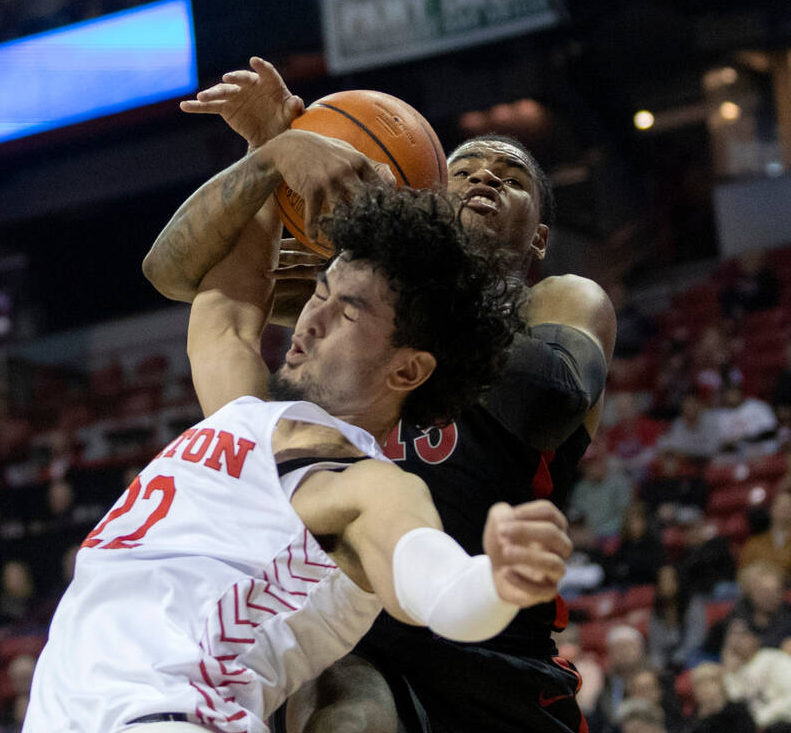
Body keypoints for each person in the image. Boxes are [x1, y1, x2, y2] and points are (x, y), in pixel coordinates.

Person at [152, 57, 616, 732]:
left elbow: (546, 399)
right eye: (464, 171)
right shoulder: (354, 306)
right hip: (353, 622)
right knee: (347, 714)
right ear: (429, 190)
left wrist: (412, 265)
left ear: (540, 237)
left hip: (495, 648)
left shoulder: (561, 300)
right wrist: (276, 150)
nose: (486, 177)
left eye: (510, 180)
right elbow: (180, 277)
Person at [27, 188, 573, 733]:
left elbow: (439, 591)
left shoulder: (367, 484)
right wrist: (270, 146)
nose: (311, 320)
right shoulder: (245, 412)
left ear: (407, 371)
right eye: (320, 292)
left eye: (348, 314)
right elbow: (223, 311)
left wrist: (498, 580)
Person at [720, 617, 791, 733]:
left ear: (755, 638)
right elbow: (734, 703)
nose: (736, 641)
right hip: (752, 726)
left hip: (784, 722)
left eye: (742, 635)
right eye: (732, 635)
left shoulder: (778, 659)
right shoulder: (734, 671)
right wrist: (729, 674)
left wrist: (762, 717)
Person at [739, 492, 791, 585]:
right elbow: (743, 573)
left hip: (790, 588)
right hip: (757, 590)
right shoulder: (754, 543)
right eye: (780, 505)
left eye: (790, 506)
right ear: (771, 510)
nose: (785, 509)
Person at [686, 662, 756, 733]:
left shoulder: (738, 712)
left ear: (721, 684)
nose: (704, 688)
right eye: (698, 684)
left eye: (710, 681)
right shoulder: (692, 721)